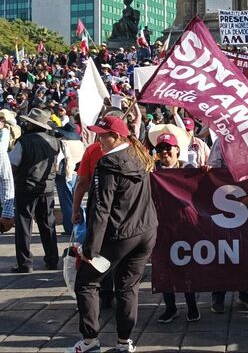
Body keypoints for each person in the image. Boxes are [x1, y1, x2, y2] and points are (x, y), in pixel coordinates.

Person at [67, 116, 157, 353]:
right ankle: (124, 342)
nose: (98, 140)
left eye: (102, 135)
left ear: (116, 137)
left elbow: (101, 208)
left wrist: (90, 248)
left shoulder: (108, 163)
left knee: (86, 283)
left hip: (121, 233)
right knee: (128, 287)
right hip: (145, 231)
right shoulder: (140, 156)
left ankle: (89, 341)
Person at [152, 133, 200, 324]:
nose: (164, 152)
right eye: (160, 148)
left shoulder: (188, 169)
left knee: (186, 267)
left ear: (177, 149)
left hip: (183, 226)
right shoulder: (152, 170)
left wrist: (205, 171)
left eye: (168, 147)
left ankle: (192, 306)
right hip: (160, 226)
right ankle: (170, 308)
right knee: (163, 266)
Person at [8, 108, 60, 273]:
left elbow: (13, 166)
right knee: (48, 224)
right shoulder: (55, 142)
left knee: (24, 226)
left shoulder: (23, 142)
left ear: (31, 124)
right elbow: (56, 166)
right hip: (47, 188)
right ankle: (52, 259)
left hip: (26, 188)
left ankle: (25, 263)